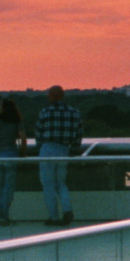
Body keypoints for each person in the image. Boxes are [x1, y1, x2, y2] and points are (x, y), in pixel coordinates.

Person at [34, 84, 83, 226]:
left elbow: (38, 133)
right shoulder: (74, 112)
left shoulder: (45, 112)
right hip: (64, 150)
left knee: (48, 185)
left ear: (51, 96)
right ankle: (67, 209)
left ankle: (53, 217)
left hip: (48, 148)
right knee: (61, 183)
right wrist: (74, 148)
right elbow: (78, 134)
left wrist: (40, 147)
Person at [0, 97, 27, 225]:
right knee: (8, 188)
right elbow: (23, 139)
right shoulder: (16, 121)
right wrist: (22, 154)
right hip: (11, 155)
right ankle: (4, 215)